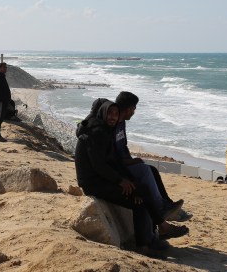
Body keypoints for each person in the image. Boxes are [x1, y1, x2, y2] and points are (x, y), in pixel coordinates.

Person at [74, 100, 173, 254]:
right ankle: (162, 227)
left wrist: (129, 184)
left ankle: (145, 244)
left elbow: (114, 163)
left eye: (116, 114)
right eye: (110, 113)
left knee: (139, 199)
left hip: (101, 179)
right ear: (103, 113)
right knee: (143, 191)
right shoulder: (97, 132)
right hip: (93, 183)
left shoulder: (104, 131)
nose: (113, 117)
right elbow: (99, 166)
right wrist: (121, 181)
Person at [113, 92, 185, 220]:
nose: (134, 112)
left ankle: (167, 203)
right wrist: (129, 163)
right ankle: (160, 208)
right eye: (134, 109)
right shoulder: (112, 124)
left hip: (124, 162)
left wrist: (132, 160)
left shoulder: (121, 123)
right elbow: (112, 155)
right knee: (145, 170)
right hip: (118, 167)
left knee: (152, 170)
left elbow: (123, 146)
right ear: (129, 108)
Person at [0, 62, 14, 142]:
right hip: (0, 102)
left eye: (6, 67)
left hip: (3, 102)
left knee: (0, 118)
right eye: (4, 67)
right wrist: (2, 100)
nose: (5, 69)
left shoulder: (2, 77)